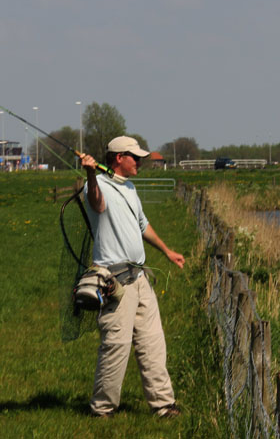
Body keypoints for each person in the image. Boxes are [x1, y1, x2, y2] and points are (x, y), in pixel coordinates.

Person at [79, 136, 185, 418]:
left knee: (153, 343)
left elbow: (142, 225)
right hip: (115, 282)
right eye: (134, 157)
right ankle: (102, 409)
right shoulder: (97, 185)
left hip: (140, 278)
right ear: (119, 158)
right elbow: (97, 204)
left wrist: (167, 251)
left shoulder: (129, 187)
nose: (139, 162)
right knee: (116, 346)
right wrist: (90, 173)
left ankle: (163, 405)